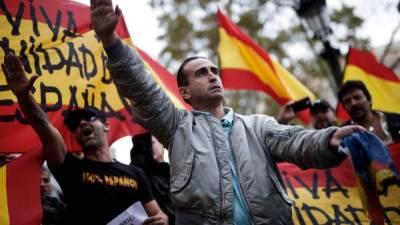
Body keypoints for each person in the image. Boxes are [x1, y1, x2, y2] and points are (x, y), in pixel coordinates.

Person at [90, 1, 365, 224]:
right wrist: (111, 41)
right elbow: (143, 90)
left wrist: (329, 139)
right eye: (201, 73)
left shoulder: (258, 125)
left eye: (214, 71)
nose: (212, 76)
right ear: (184, 92)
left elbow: (296, 140)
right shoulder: (177, 127)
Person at [1, 54, 168, 225]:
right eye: (74, 124)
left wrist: (161, 220)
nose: (81, 123)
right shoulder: (70, 169)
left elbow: (158, 213)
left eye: (89, 117)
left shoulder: (136, 173)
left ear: (106, 125)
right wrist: (24, 96)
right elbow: (45, 128)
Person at [130, 134, 175, 225]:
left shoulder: (171, 171)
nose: (148, 147)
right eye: (150, 143)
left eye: (153, 142)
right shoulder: (140, 175)